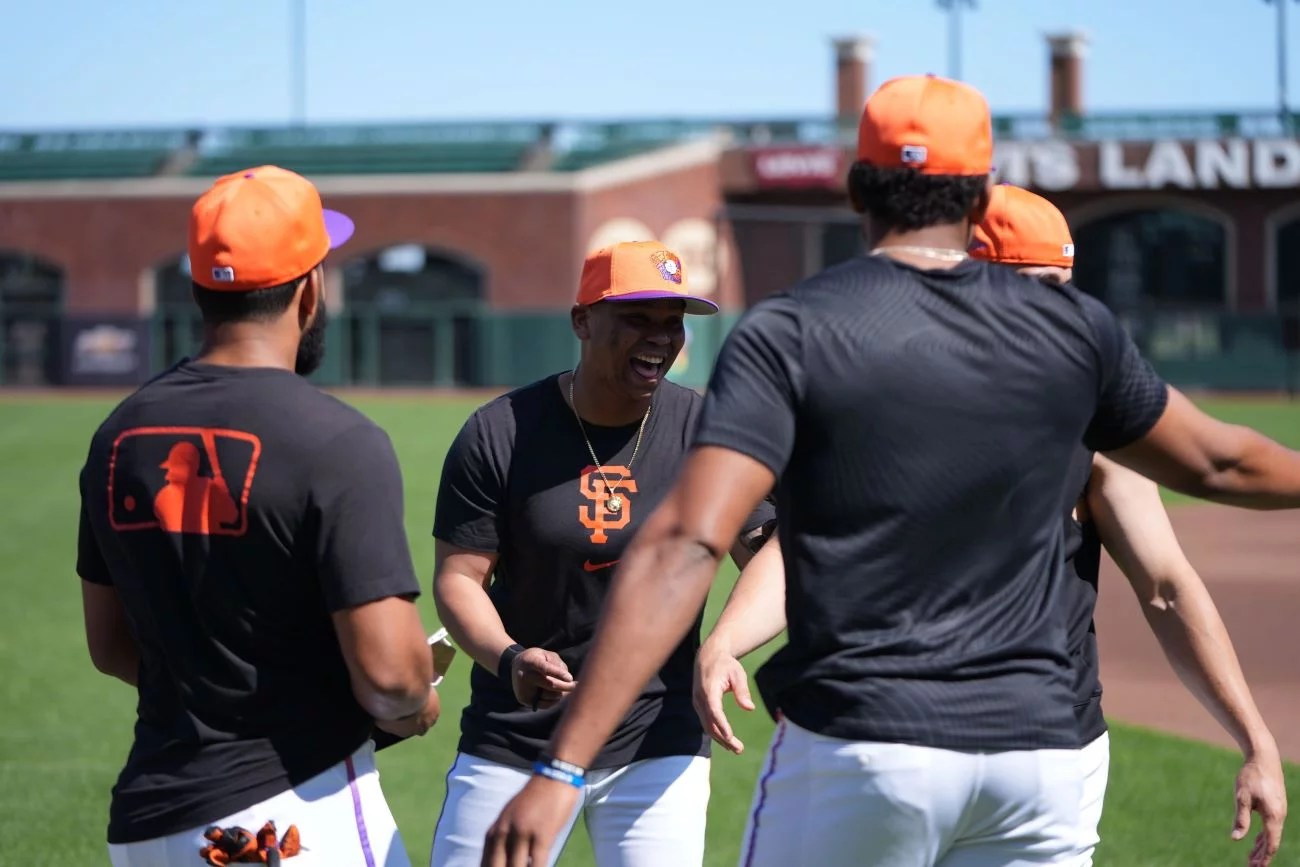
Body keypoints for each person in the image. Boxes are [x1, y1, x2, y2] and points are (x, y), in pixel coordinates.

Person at [479, 75, 1300, 867]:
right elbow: (1223, 461)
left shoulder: (793, 332)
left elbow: (688, 542)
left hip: (865, 745)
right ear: (981, 200)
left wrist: (563, 764)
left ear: (854, 194)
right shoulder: (1076, 332)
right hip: (1043, 754)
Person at [690, 183, 1288, 867]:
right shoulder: (884, 389)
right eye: (1036, 285)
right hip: (896, 730)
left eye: (1065, 285)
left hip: (1045, 743)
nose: (1056, 308)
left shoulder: (1090, 412)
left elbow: (1166, 584)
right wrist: (727, 638)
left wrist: (1255, 740)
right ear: (970, 277)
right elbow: (807, 540)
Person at [77, 164, 441, 867]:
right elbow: (393, 675)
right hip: (293, 815)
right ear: (311, 289)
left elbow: (112, 646)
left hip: (148, 827)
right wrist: (415, 701)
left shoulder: (118, 434)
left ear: (197, 288)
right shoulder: (339, 441)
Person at [429, 240, 776, 867]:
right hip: (515, 734)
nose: (659, 338)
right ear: (583, 321)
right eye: (637, 318)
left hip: (657, 737)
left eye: (673, 323)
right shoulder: (500, 430)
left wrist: (723, 645)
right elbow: (458, 581)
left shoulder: (707, 428)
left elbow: (774, 556)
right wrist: (508, 659)